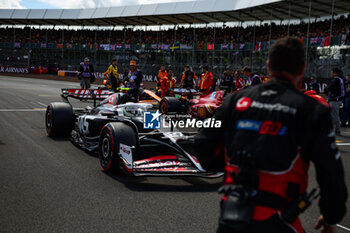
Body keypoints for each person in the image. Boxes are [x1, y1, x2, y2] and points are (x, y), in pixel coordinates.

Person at [194, 37, 347, 233]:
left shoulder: (235, 101)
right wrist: (331, 217)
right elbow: (331, 175)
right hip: (279, 221)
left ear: (269, 66)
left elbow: (202, 146)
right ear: (302, 69)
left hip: (232, 218)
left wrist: (237, 170)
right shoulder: (312, 110)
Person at [325, 67, 345, 134]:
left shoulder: (336, 80)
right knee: (334, 115)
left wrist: (326, 90)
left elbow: (329, 88)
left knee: (335, 115)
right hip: (338, 99)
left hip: (335, 100)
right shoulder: (341, 79)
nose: (331, 73)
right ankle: (335, 129)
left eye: (332, 72)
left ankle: (337, 130)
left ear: (335, 73)